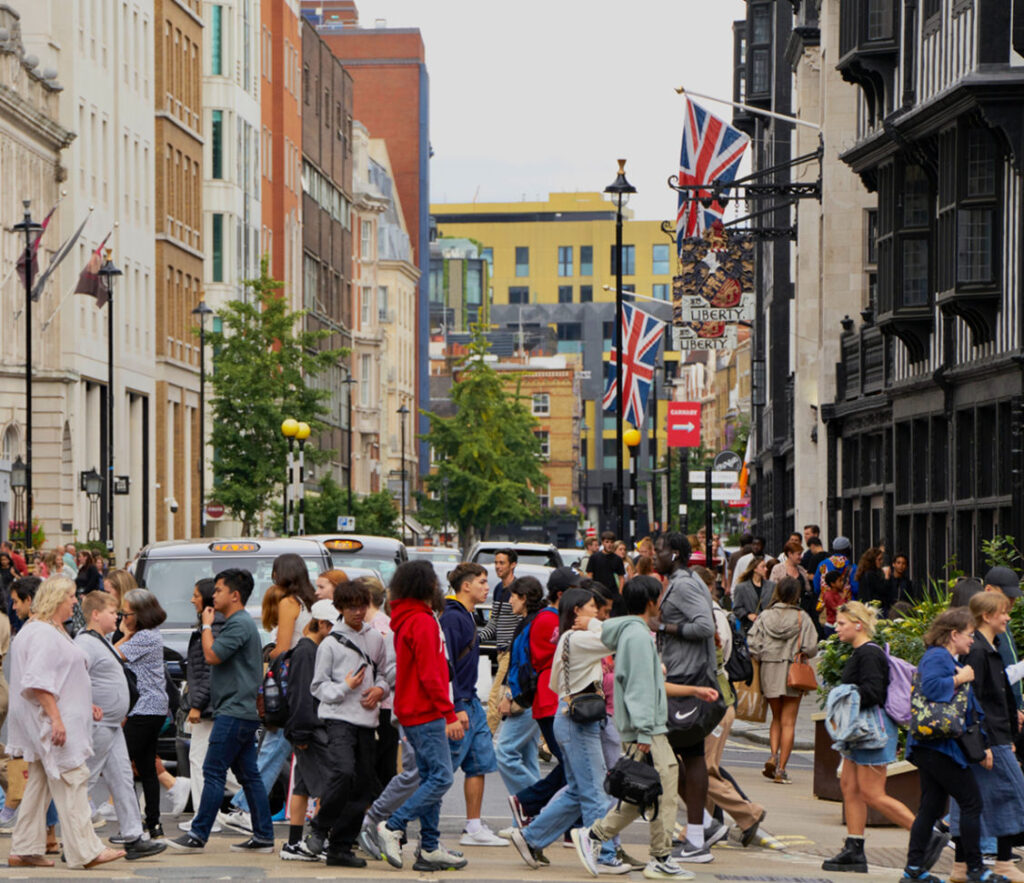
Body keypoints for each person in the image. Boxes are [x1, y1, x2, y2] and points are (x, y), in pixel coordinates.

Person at [566, 576, 691, 881]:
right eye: (659, 598)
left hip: (644, 728)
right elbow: (638, 688)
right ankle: (658, 858)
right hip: (646, 729)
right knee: (663, 789)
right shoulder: (636, 637)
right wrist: (646, 732)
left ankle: (594, 836)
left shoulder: (632, 632)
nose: (662, 604)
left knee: (643, 793)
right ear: (651, 601)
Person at [7, 576, 125, 869]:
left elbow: (58, 677)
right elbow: (38, 682)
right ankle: (85, 851)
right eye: (71, 596)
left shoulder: (41, 630)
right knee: (72, 778)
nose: (75, 601)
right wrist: (57, 719)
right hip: (52, 722)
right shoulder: (44, 634)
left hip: (51, 717)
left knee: (40, 783)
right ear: (58, 598)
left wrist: (86, 703)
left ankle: (24, 847)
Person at [507, 587, 625, 873]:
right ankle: (605, 853)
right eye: (592, 608)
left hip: (569, 717)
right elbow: (619, 639)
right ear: (577, 611)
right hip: (578, 722)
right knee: (597, 789)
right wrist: (596, 625)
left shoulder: (568, 639)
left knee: (576, 791)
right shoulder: (580, 637)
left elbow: (554, 682)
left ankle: (530, 838)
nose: (597, 612)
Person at [366, 561, 466, 872]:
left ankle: (431, 847)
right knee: (441, 777)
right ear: (426, 585)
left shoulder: (406, 619)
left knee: (429, 778)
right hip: (426, 711)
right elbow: (432, 674)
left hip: (411, 710)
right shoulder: (422, 622)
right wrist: (449, 713)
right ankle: (393, 826)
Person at [167, 568, 275, 855]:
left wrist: (205, 626)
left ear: (235, 595)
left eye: (218, 590)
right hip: (240, 710)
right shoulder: (239, 623)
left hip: (234, 711)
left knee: (212, 771)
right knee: (249, 776)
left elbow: (212, 656)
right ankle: (264, 835)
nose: (212, 595)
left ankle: (198, 833)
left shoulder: (238, 624)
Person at [821, 602, 925, 873]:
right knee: (850, 787)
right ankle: (854, 849)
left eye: (842, 623)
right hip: (861, 733)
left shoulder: (869, 654)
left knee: (872, 793)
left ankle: (925, 835)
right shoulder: (862, 652)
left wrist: (843, 696)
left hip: (872, 731)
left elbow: (874, 692)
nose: (837, 628)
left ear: (859, 624)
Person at [222, 554, 315, 834]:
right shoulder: (309, 602)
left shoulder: (289, 602)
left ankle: (245, 806)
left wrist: (266, 651)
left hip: (289, 682)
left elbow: (283, 647)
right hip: (306, 681)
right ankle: (250, 807)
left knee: (274, 746)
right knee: (287, 747)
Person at [902, 608, 995, 883]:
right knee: (971, 802)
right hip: (939, 746)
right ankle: (975, 869)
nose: (971, 641)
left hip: (932, 746)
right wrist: (961, 678)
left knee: (931, 807)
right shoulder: (938, 656)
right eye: (969, 635)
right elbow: (931, 688)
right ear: (953, 634)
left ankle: (914, 870)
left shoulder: (944, 657)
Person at [308, 578, 392, 867]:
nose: (358, 612)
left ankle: (340, 847)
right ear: (340, 609)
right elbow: (318, 687)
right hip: (338, 719)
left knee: (362, 785)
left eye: (362, 606)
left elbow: (384, 673)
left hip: (367, 722)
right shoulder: (330, 644)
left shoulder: (375, 638)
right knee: (343, 772)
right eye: (351, 607)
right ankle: (320, 826)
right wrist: (344, 686)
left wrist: (380, 690)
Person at [76, 592, 166, 860]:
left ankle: (133, 836)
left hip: (114, 723)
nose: (118, 617)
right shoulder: (86, 644)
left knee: (124, 779)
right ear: (95, 615)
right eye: (112, 612)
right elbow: (74, 676)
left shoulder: (101, 642)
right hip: (100, 723)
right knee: (87, 779)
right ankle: (76, 841)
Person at [651, 532, 717, 863]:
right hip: (683, 674)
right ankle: (701, 826)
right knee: (681, 754)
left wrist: (663, 628)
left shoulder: (686, 584)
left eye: (658, 551)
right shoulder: (682, 580)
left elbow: (706, 627)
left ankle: (697, 836)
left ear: (674, 554)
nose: (653, 555)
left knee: (676, 754)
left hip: (688, 676)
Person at [951, 592, 1024, 882]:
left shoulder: (984, 648)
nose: (1007, 617)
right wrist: (983, 744)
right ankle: (1004, 862)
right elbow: (974, 698)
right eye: (1003, 612)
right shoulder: (980, 651)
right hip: (990, 738)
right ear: (987, 616)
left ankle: (961, 865)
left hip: (989, 736)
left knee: (972, 799)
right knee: (1012, 793)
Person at [691, 568, 765, 848]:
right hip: (711, 701)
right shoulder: (703, 614)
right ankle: (703, 828)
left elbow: (716, 661)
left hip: (715, 703)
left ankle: (746, 814)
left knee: (701, 770)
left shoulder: (713, 617)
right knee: (702, 769)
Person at [440, 563, 506, 848]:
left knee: (478, 764)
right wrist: (454, 706)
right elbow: (446, 664)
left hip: (472, 702)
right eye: (481, 582)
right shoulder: (452, 618)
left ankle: (474, 826)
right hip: (460, 704)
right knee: (442, 772)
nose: (486, 587)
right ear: (465, 586)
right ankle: (400, 823)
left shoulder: (467, 615)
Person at [507, 567, 578, 826]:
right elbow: (549, 659)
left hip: (553, 700)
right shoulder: (550, 619)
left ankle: (533, 806)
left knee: (573, 767)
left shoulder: (557, 617)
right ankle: (528, 802)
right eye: (575, 590)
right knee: (574, 766)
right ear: (562, 593)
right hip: (549, 701)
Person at [278, 599, 336, 861]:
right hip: (309, 730)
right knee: (326, 786)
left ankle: (293, 843)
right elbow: (301, 697)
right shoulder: (306, 652)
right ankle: (316, 841)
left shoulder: (309, 650)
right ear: (321, 625)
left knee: (302, 787)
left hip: (305, 730)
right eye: (332, 626)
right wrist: (302, 734)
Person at [747, 577, 819, 785]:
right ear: (795, 595)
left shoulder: (765, 615)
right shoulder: (802, 617)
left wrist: (763, 654)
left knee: (776, 718)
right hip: (792, 672)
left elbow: (753, 642)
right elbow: (811, 647)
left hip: (769, 669)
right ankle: (781, 769)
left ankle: (772, 755)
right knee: (789, 721)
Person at [115, 589, 170, 840]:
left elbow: (111, 655)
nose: (122, 619)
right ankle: (153, 823)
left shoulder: (144, 637)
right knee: (147, 767)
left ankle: (132, 826)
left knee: (121, 763)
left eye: (125, 614)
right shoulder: (148, 635)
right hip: (152, 708)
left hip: (144, 708)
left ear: (139, 614)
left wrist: (124, 636)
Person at [494, 577, 544, 797]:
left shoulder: (532, 625)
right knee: (527, 756)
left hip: (527, 699)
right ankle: (528, 824)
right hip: (531, 699)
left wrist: (510, 695)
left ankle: (542, 801)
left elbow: (525, 668)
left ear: (524, 598)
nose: (510, 601)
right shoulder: (528, 622)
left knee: (504, 753)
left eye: (514, 596)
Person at [180, 578, 223, 833]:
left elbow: (206, 672)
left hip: (208, 707)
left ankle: (205, 817)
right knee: (216, 762)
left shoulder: (210, 629)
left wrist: (196, 705)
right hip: (213, 705)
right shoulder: (210, 627)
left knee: (200, 760)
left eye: (196, 595)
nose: (192, 599)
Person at [479, 549, 523, 734]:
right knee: (519, 701)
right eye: (496, 562)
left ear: (513, 565)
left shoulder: (519, 590)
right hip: (501, 651)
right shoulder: (498, 589)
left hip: (511, 652)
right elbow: (494, 622)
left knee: (495, 699)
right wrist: (476, 638)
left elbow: (522, 622)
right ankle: (544, 741)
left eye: (502, 563)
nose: (498, 566)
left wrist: (516, 649)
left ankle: (484, 742)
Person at [361, 575, 398, 789]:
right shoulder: (368, 623)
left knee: (383, 761)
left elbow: (385, 664)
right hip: (373, 702)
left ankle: (383, 809)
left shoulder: (381, 624)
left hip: (383, 703)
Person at [585, 532, 626, 606]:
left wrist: (620, 593)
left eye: (611, 542)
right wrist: (590, 591)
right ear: (603, 542)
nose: (609, 544)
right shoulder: (594, 557)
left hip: (613, 593)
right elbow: (589, 575)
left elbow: (621, 578)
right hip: (597, 592)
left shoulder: (617, 559)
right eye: (607, 542)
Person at [733, 557, 772, 629]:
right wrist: (748, 615)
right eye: (763, 567)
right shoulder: (741, 587)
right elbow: (737, 608)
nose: (766, 569)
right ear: (755, 569)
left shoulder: (772, 586)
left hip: (768, 626)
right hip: (750, 627)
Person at [856, 547, 892, 616]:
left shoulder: (865, 573)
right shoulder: (871, 575)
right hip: (875, 610)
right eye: (879, 559)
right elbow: (883, 590)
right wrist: (887, 576)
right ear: (872, 560)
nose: (881, 562)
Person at [820, 569, 850, 636]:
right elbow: (837, 609)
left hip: (840, 623)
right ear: (832, 584)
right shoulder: (828, 595)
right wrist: (843, 598)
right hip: (832, 626)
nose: (842, 583)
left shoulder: (840, 592)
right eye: (840, 581)